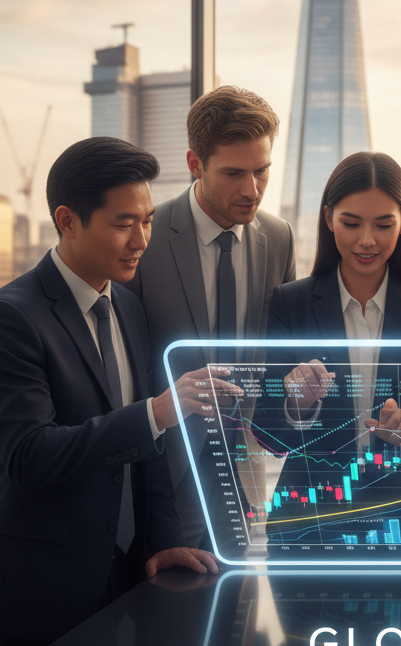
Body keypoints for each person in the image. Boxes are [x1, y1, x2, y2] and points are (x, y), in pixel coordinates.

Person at [0, 137, 232, 646]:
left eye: (149, 220)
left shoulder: (128, 307)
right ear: (67, 220)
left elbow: (146, 453)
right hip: (42, 587)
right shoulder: (8, 319)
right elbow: (30, 455)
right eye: (123, 223)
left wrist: (162, 542)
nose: (141, 240)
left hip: (129, 576)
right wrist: (157, 412)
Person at [254, 152, 401, 545]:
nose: (367, 240)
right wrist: (297, 403)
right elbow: (269, 434)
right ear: (328, 218)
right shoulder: (289, 303)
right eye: (351, 223)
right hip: (309, 519)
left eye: (384, 224)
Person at [125, 86, 296, 546]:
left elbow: (281, 351)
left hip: (244, 464)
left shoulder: (278, 238)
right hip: (164, 465)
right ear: (195, 164)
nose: (252, 189)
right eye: (234, 173)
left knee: (236, 602)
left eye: (262, 171)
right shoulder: (146, 238)